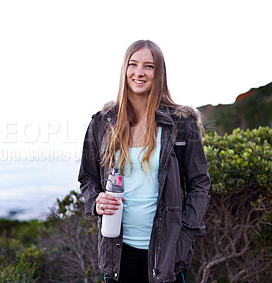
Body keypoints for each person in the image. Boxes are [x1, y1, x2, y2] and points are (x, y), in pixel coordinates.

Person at [78, 40, 211, 283]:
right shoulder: (102, 123)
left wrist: (186, 234)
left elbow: (199, 183)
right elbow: (87, 178)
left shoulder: (181, 123)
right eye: (133, 64)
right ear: (124, 70)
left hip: (166, 252)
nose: (139, 73)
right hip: (117, 251)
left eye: (148, 66)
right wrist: (95, 200)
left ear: (158, 72)